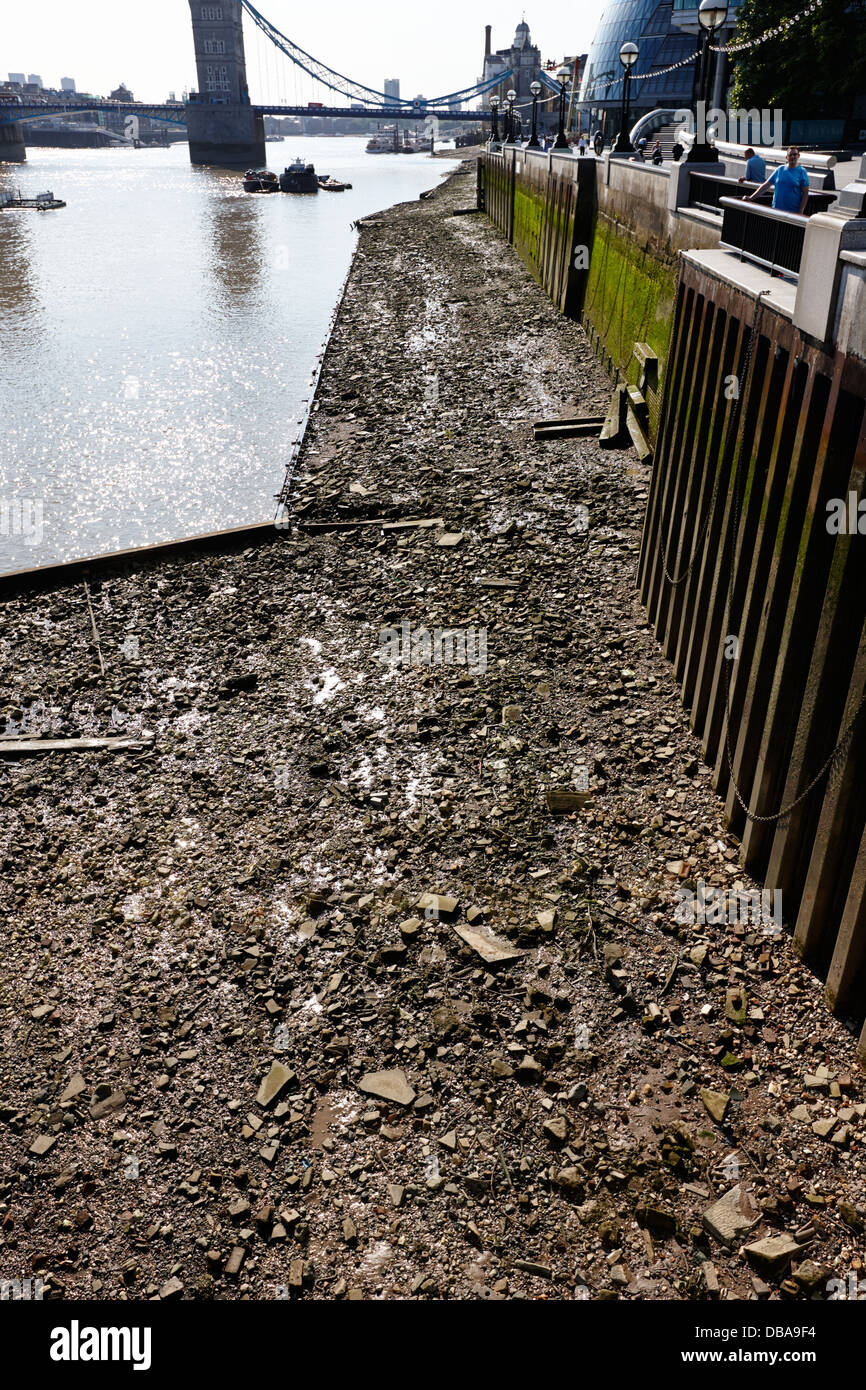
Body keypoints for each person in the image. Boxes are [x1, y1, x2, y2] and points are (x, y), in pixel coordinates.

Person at [747, 146, 810, 214]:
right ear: (786, 157)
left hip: (792, 214)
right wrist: (750, 198)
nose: (792, 157)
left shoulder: (802, 171)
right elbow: (765, 186)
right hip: (776, 211)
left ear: (798, 156)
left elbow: (805, 193)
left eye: (794, 154)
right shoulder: (780, 169)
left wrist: (801, 211)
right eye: (790, 155)